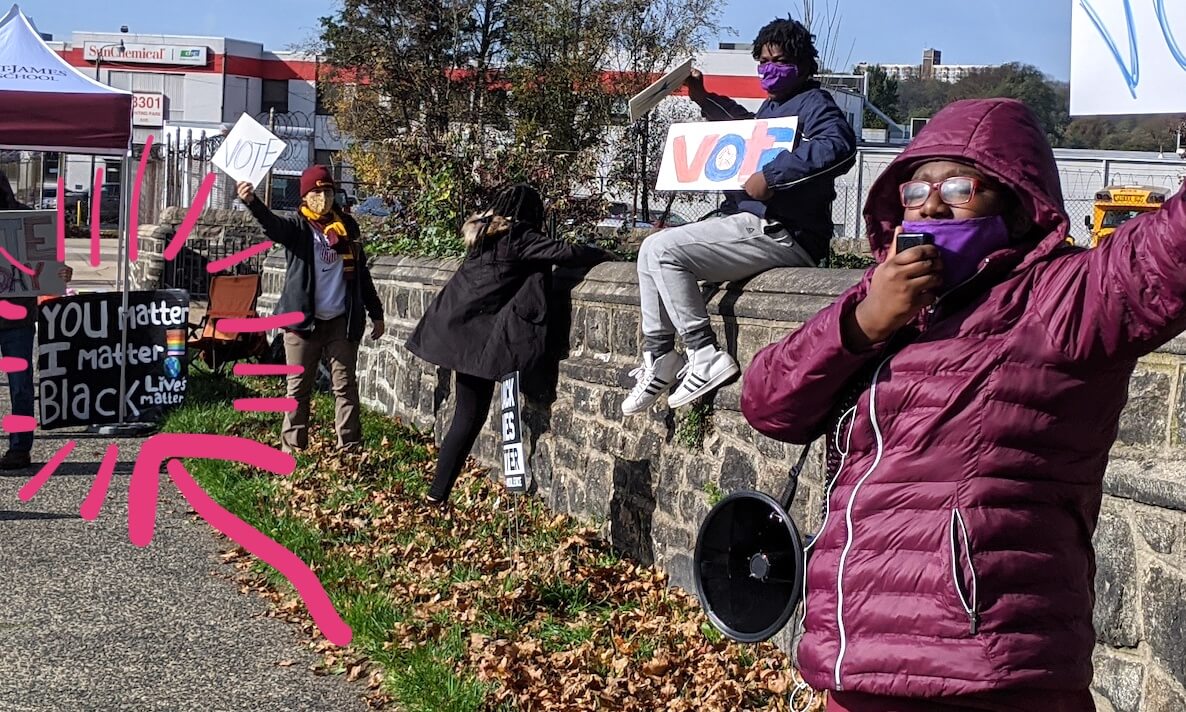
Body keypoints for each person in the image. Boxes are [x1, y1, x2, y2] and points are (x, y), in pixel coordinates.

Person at [739, 97, 1182, 711]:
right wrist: (863, 323)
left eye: (958, 186)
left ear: (1013, 198)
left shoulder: (1065, 300)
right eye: (915, 191)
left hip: (987, 670)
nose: (932, 204)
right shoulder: (889, 296)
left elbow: (1165, 255)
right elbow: (767, 403)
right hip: (856, 668)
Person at [621, 15, 857, 416]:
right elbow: (745, 131)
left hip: (783, 232)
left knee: (663, 250)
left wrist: (773, 175)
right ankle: (659, 355)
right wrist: (703, 98)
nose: (767, 69)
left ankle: (703, 353)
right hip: (754, 224)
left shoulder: (816, 104)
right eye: (761, 62)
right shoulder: (775, 106)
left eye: (776, 60)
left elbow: (840, 147)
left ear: (800, 62)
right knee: (650, 251)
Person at [406, 184, 614, 506]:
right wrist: (604, 255)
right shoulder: (519, 237)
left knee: (466, 416)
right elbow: (566, 253)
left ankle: (437, 494)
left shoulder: (486, 238)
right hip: (476, 342)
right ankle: (436, 496)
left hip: (460, 333)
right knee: (468, 418)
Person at [236, 166, 384, 453]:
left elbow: (361, 273)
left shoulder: (347, 228)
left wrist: (375, 312)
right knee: (298, 390)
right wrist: (252, 201)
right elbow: (272, 226)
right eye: (316, 192)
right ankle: (293, 448)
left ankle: (350, 448)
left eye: (327, 191)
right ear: (305, 197)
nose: (323, 197)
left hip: (341, 320)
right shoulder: (298, 228)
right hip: (303, 324)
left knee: (345, 387)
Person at [0, 174, 71, 470]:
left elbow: (47, 269)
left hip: (17, 318)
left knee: (20, 386)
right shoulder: (27, 218)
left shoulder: (27, 221)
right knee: (21, 385)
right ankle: (20, 448)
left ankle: (20, 448)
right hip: (19, 316)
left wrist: (59, 274)